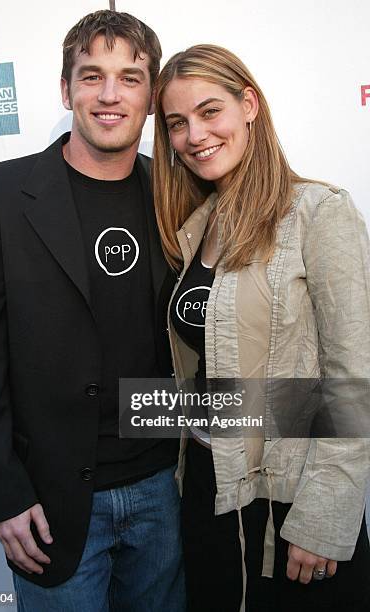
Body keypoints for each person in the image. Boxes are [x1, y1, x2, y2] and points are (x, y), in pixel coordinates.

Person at [0, 10, 184, 612]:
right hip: (50, 505)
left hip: (166, 491)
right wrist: (2, 493)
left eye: (130, 78)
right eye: (91, 76)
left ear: (153, 96)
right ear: (66, 89)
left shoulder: (180, 198)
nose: (110, 96)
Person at [152, 44, 370, 612]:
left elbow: (356, 379)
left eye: (209, 111)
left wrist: (323, 515)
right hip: (204, 488)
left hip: (285, 499)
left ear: (249, 104)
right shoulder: (195, 228)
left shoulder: (318, 212)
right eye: (178, 123)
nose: (194, 134)